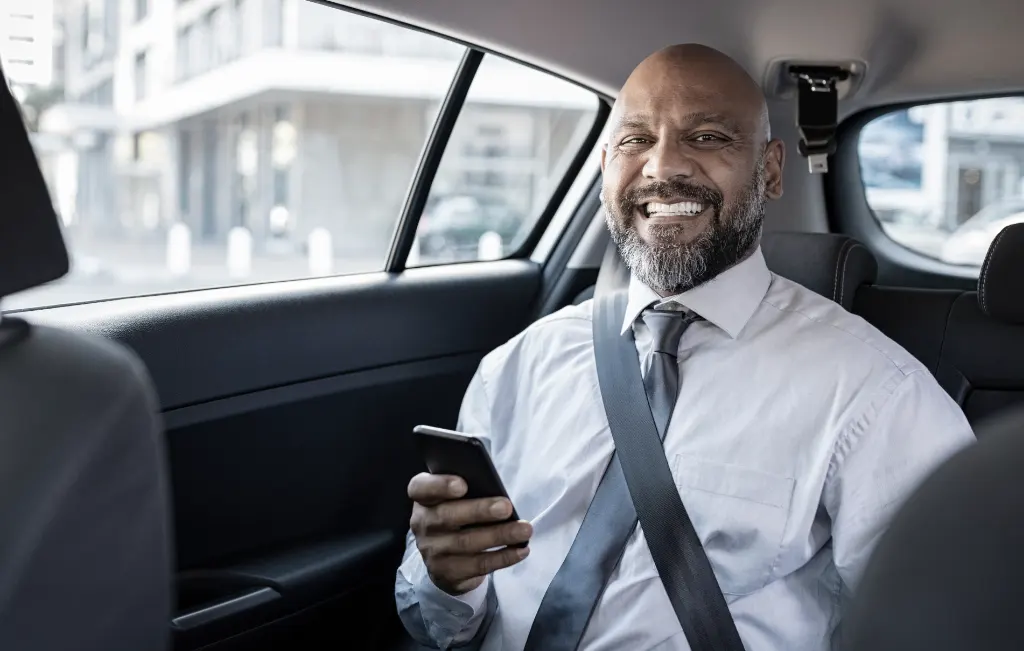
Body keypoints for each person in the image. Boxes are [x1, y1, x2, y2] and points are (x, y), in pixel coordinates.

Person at [396, 44, 975, 651]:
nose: (662, 166)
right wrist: (448, 579)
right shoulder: (516, 367)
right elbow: (436, 622)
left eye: (706, 137)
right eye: (634, 140)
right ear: (604, 167)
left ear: (771, 171)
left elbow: (942, 623)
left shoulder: (876, 394)